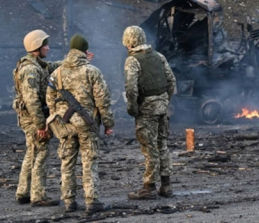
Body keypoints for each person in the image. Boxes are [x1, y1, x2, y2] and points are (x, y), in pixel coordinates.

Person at [46, 34, 114, 214]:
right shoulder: (92, 71)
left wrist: (58, 116)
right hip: (87, 125)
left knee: (67, 162)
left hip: (64, 125)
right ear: (85, 51)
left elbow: (49, 100)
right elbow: (103, 101)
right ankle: (91, 201)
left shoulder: (57, 72)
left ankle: (69, 201)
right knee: (89, 161)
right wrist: (108, 123)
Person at [122, 25, 176, 200]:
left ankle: (149, 187)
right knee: (163, 145)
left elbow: (131, 89)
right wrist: (164, 101)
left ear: (128, 42)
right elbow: (171, 81)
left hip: (146, 110)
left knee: (149, 147)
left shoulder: (133, 61)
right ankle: (166, 185)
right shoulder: (159, 57)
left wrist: (133, 109)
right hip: (162, 108)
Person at [12, 29, 61, 207]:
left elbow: (53, 66)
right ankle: (38, 196)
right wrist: (41, 124)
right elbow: (32, 100)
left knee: (32, 152)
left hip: (32, 117)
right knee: (40, 153)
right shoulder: (31, 70)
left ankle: (23, 192)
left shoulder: (36, 65)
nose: (48, 48)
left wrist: (77, 59)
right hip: (33, 118)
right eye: (45, 45)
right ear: (37, 47)